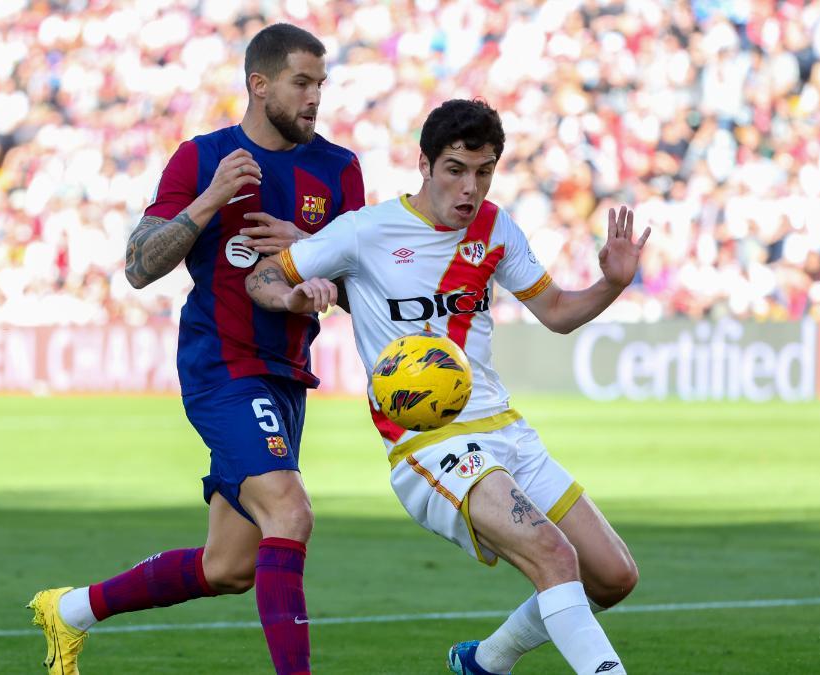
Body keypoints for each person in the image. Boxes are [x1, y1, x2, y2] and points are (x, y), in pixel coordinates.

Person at [245, 99, 648, 675]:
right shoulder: (366, 231)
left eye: (484, 173)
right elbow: (261, 276)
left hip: (505, 429)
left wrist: (610, 283)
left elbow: (557, 311)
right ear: (426, 166)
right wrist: (294, 296)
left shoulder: (495, 227)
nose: (470, 188)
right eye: (456, 170)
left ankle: (485, 662)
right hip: (429, 441)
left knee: (613, 576)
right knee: (554, 556)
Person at [27, 23, 364, 675]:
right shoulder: (202, 157)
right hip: (223, 368)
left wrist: (310, 246)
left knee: (230, 565)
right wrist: (210, 201)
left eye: (321, 84)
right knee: (290, 510)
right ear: (258, 83)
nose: (315, 98)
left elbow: (362, 293)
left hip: (288, 376)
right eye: (301, 83)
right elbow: (137, 266)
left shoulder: (339, 169)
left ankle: (69, 610)